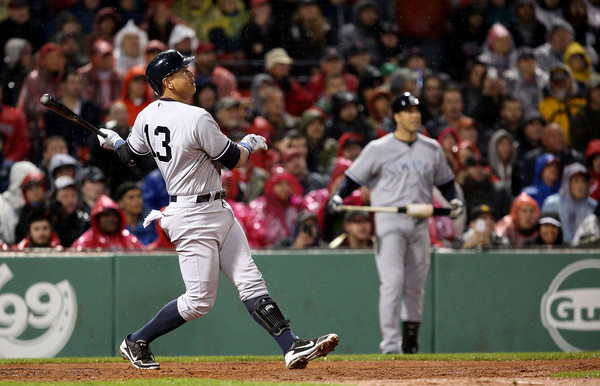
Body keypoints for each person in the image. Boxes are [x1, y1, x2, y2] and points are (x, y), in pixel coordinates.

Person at [96, 49, 338, 370]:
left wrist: (114, 141)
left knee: (251, 280)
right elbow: (234, 159)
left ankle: (291, 345)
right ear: (167, 82)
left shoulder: (145, 116)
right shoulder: (196, 116)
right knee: (198, 302)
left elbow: (130, 155)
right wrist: (250, 143)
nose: (191, 74)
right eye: (183, 71)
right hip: (192, 214)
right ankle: (136, 340)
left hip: (216, 208)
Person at [328, 92, 463, 354]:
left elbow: (446, 184)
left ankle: (410, 344)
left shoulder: (432, 148)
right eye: (409, 111)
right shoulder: (379, 148)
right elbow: (353, 179)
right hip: (389, 220)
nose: (415, 115)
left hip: (420, 221)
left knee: (415, 286)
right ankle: (391, 346)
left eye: (417, 110)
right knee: (392, 284)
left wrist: (454, 200)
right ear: (397, 116)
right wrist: (337, 196)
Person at [541, 162, 597, 244]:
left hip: (585, 252)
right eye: (576, 181)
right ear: (567, 183)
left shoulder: (593, 206)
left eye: (584, 181)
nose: (580, 185)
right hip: (557, 250)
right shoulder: (551, 203)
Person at [70, 193, 144, 251]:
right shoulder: (84, 244)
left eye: (113, 215)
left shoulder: (130, 241)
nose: (110, 219)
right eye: (105, 216)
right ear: (97, 219)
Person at [114, 181, 157, 246]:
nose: (137, 201)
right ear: (120, 203)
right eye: (131, 197)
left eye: (139, 196)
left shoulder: (152, 224)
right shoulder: (114, 227)